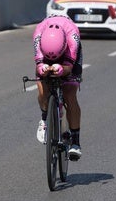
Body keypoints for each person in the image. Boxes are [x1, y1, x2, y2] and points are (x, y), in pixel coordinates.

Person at [33, 15, 83, 160]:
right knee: (42, 85)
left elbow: (69, 67)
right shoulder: (38, 35)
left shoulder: (73, 38)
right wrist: (42, 68)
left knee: (69, 94)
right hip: (46, 51)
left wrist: (63, 69)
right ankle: (44, 120)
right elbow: (39, 66)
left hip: (68, 55)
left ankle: (75, 142)